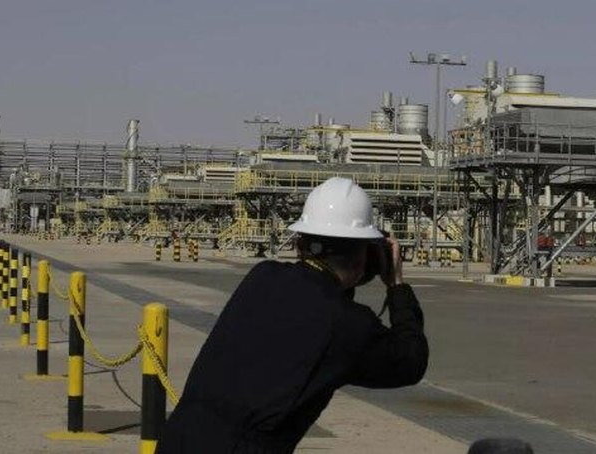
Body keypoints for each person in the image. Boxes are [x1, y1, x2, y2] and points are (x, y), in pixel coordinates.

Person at [157, 178, 429, 453]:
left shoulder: (262, 277)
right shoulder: (348, 325)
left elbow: (312, 301)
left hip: (176, 440)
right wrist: (397, 285)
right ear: (366, 257)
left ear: (300, 244)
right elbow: (411, 361)